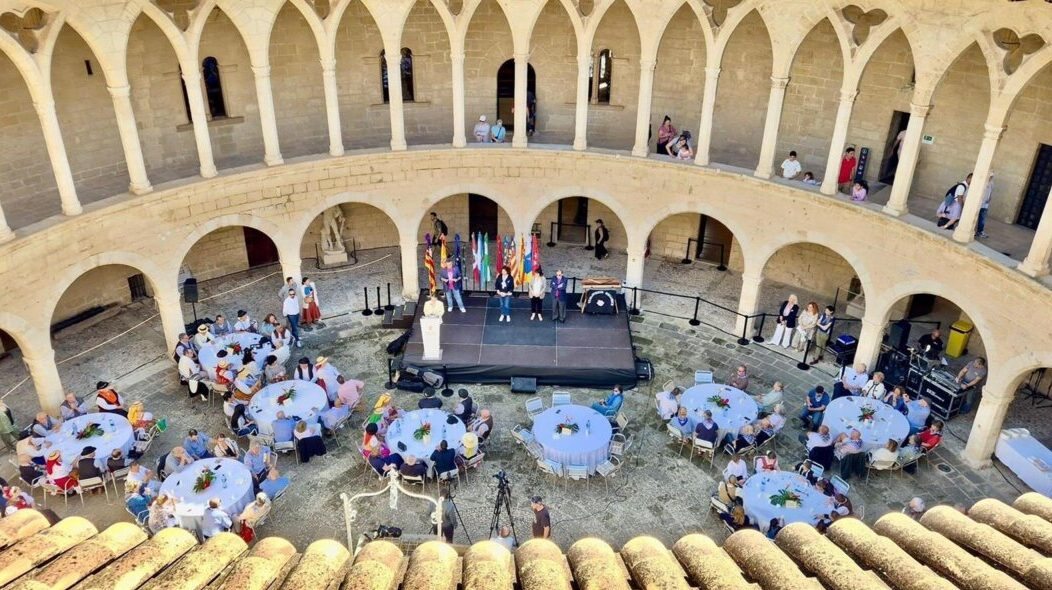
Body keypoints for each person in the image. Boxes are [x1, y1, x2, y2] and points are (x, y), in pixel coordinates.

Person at [976, 172, 993, 238]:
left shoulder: (991, 183)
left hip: (985, 205)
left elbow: (990, 192)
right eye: (990, 176)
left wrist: (989, 199)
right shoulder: (982, 183)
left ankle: (980, 232)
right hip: (979, 203)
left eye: (992, 176)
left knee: (982, 218)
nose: (990, 178)